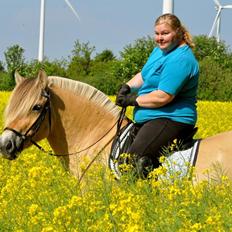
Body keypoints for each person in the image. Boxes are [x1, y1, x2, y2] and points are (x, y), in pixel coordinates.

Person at [116, 13, 199, 178]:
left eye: (165, 33)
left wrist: (133, 100)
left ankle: (143, 195)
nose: (159, 38)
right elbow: (144, 74)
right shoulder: (159, 51)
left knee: (133, 159)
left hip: (171, 118)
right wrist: (128, 87)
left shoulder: (181, 59)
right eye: (157, 33)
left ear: (178, 32)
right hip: (151, 117)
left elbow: (163, 97)